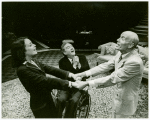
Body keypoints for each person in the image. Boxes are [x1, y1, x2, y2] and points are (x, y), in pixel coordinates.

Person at [74, 31, 144, 118]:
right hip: (118, 96)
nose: (117, 40)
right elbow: (106, 66)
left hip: (126, 100)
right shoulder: (120, 53)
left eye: (122, 38)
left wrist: (87, 83)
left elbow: (113, 78)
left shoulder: (135, 62)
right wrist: (84, 73)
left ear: (130, 45)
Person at [11, 37, 80, 118]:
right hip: (40, 105)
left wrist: (70, 75)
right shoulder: (22, 69)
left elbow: (51, 69)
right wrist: (70, 83)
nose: (35, 45)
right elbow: (46, 81)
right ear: (22, 50)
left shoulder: (34, 61)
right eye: (30, 45)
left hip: (48, 99)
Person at [57, 42, 90, 118]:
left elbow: (88, 73)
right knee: (61, 99)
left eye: (72, 46)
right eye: (68, 47)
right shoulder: (62, 62)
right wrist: (74, 66)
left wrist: (81, 76)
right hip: (68, 85)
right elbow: (64, 76)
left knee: (74, 100)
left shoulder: (82, 57)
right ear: (64, 52)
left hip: (80, 85)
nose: (72, 48)